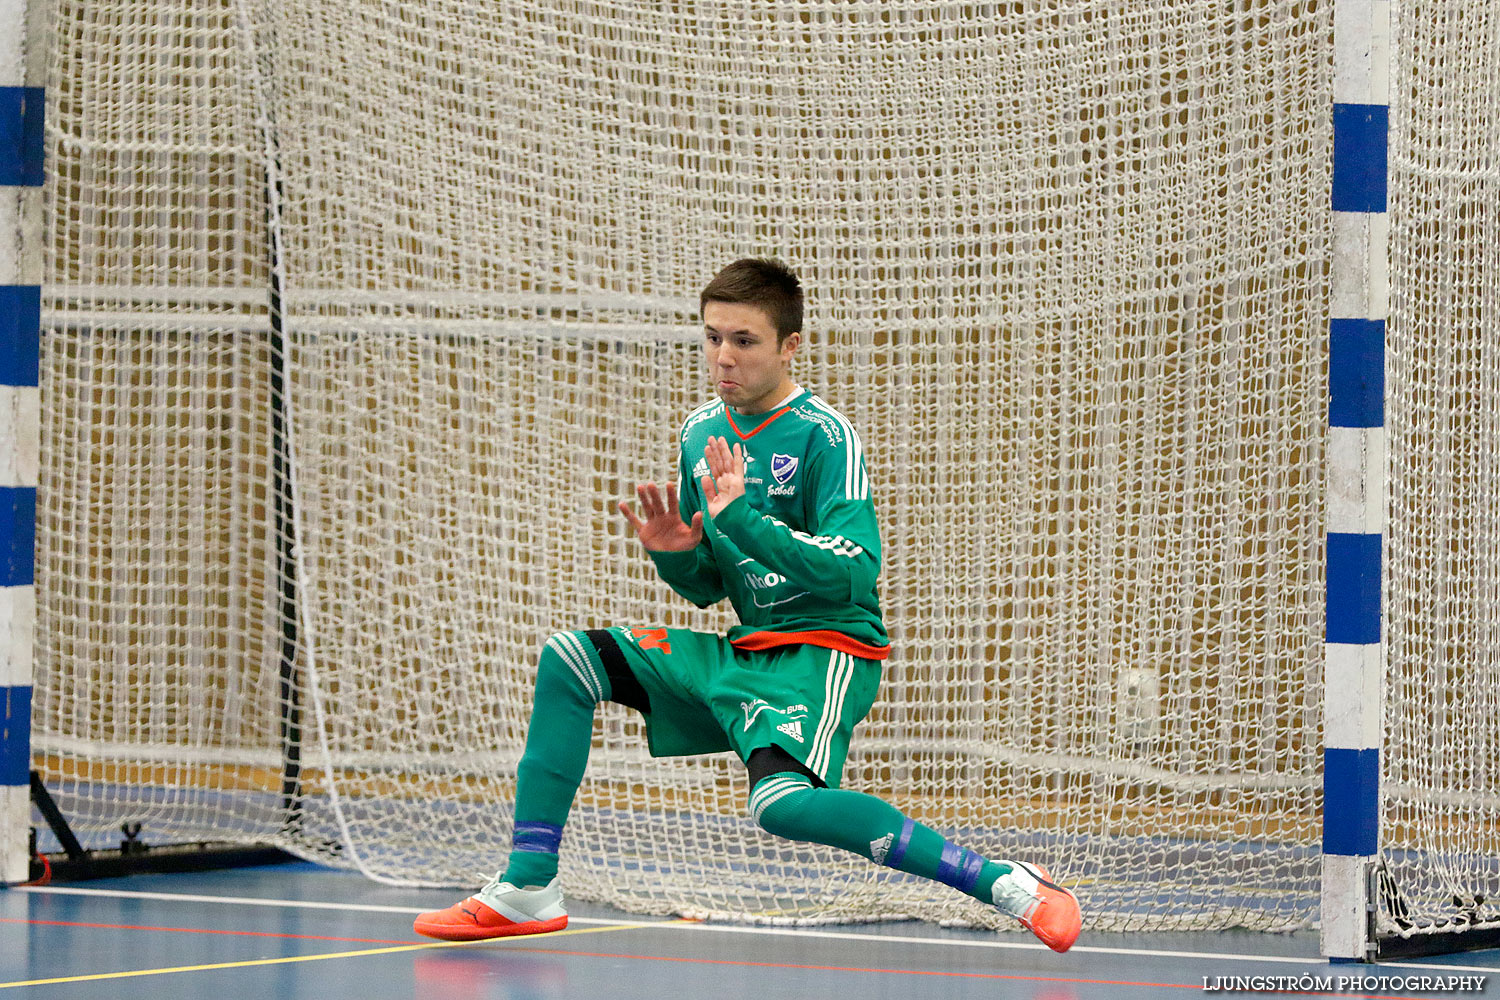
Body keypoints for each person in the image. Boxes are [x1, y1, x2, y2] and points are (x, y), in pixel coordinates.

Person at [413, 258, 1081, 952]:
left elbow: (856, 572)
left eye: (743, 341)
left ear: (789, 346)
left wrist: (746, 523)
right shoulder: (701, 434)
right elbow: (707, 585)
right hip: (748, 648)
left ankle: (1007, 883)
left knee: (783, 807)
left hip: (827, 650)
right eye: (711, 338)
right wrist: (674, 551)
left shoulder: (826, 436)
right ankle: (527, 885)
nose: (722, 357)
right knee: (570, 660)